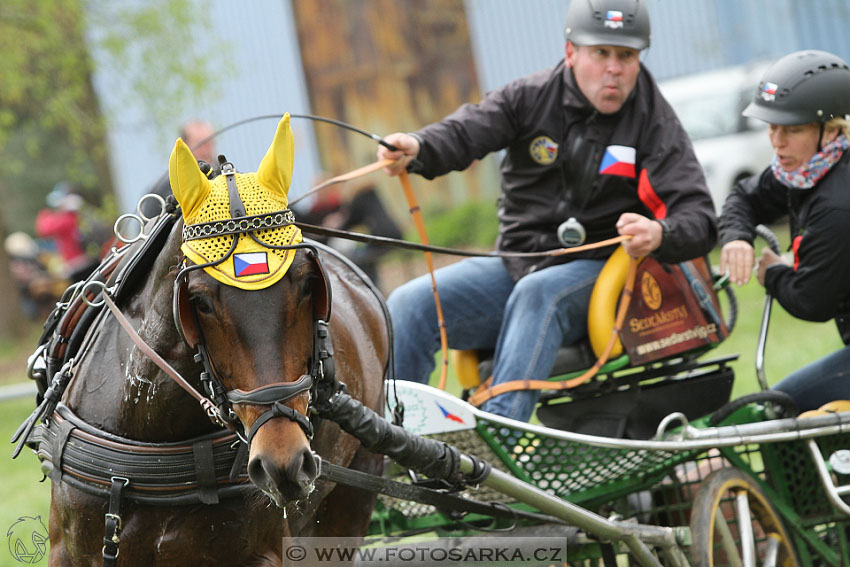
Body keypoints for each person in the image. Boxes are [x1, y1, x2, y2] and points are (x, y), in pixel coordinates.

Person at [376, 0, 716, 421]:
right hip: (518, 266)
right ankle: (392, 441)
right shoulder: (529, 97)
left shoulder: (655, 123)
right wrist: (420, 146)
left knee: (539, 295)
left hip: (598, 275)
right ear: (571, 52)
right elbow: (468, 130)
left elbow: (699, 218)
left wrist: (660, 233)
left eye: (626, 56)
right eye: (601, 53)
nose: (614, 68)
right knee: (409, 303)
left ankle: (498, 443)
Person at [719, 50, 850, 413]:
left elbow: (812, 300)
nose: (777, 141)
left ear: (832, 130)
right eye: (772, 127)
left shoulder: (838, 203)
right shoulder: (805, 172)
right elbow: (744, 196)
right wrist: (736, 237)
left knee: (774, 408)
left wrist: (773, 272)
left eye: (792, 130)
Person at [297, 181, 402, 287]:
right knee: (359, 255)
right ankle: (372, 287)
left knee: (356, 260)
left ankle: (371, 288)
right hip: (392, 236)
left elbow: (348, 223)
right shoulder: (370, 196)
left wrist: (330, 229)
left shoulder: (360, 199)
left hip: (382, 240)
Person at [143, 120, 217, 217]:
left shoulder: (227, 178)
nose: (205, 151)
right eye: (200, 145)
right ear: (185, 147)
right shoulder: (161, 190)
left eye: (209, 144)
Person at [35, 182, 98, 282]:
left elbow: (44, 229)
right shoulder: (73, 217)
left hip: (79, 264)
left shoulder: (68, 219)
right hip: (80, 263)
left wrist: (44, 213)